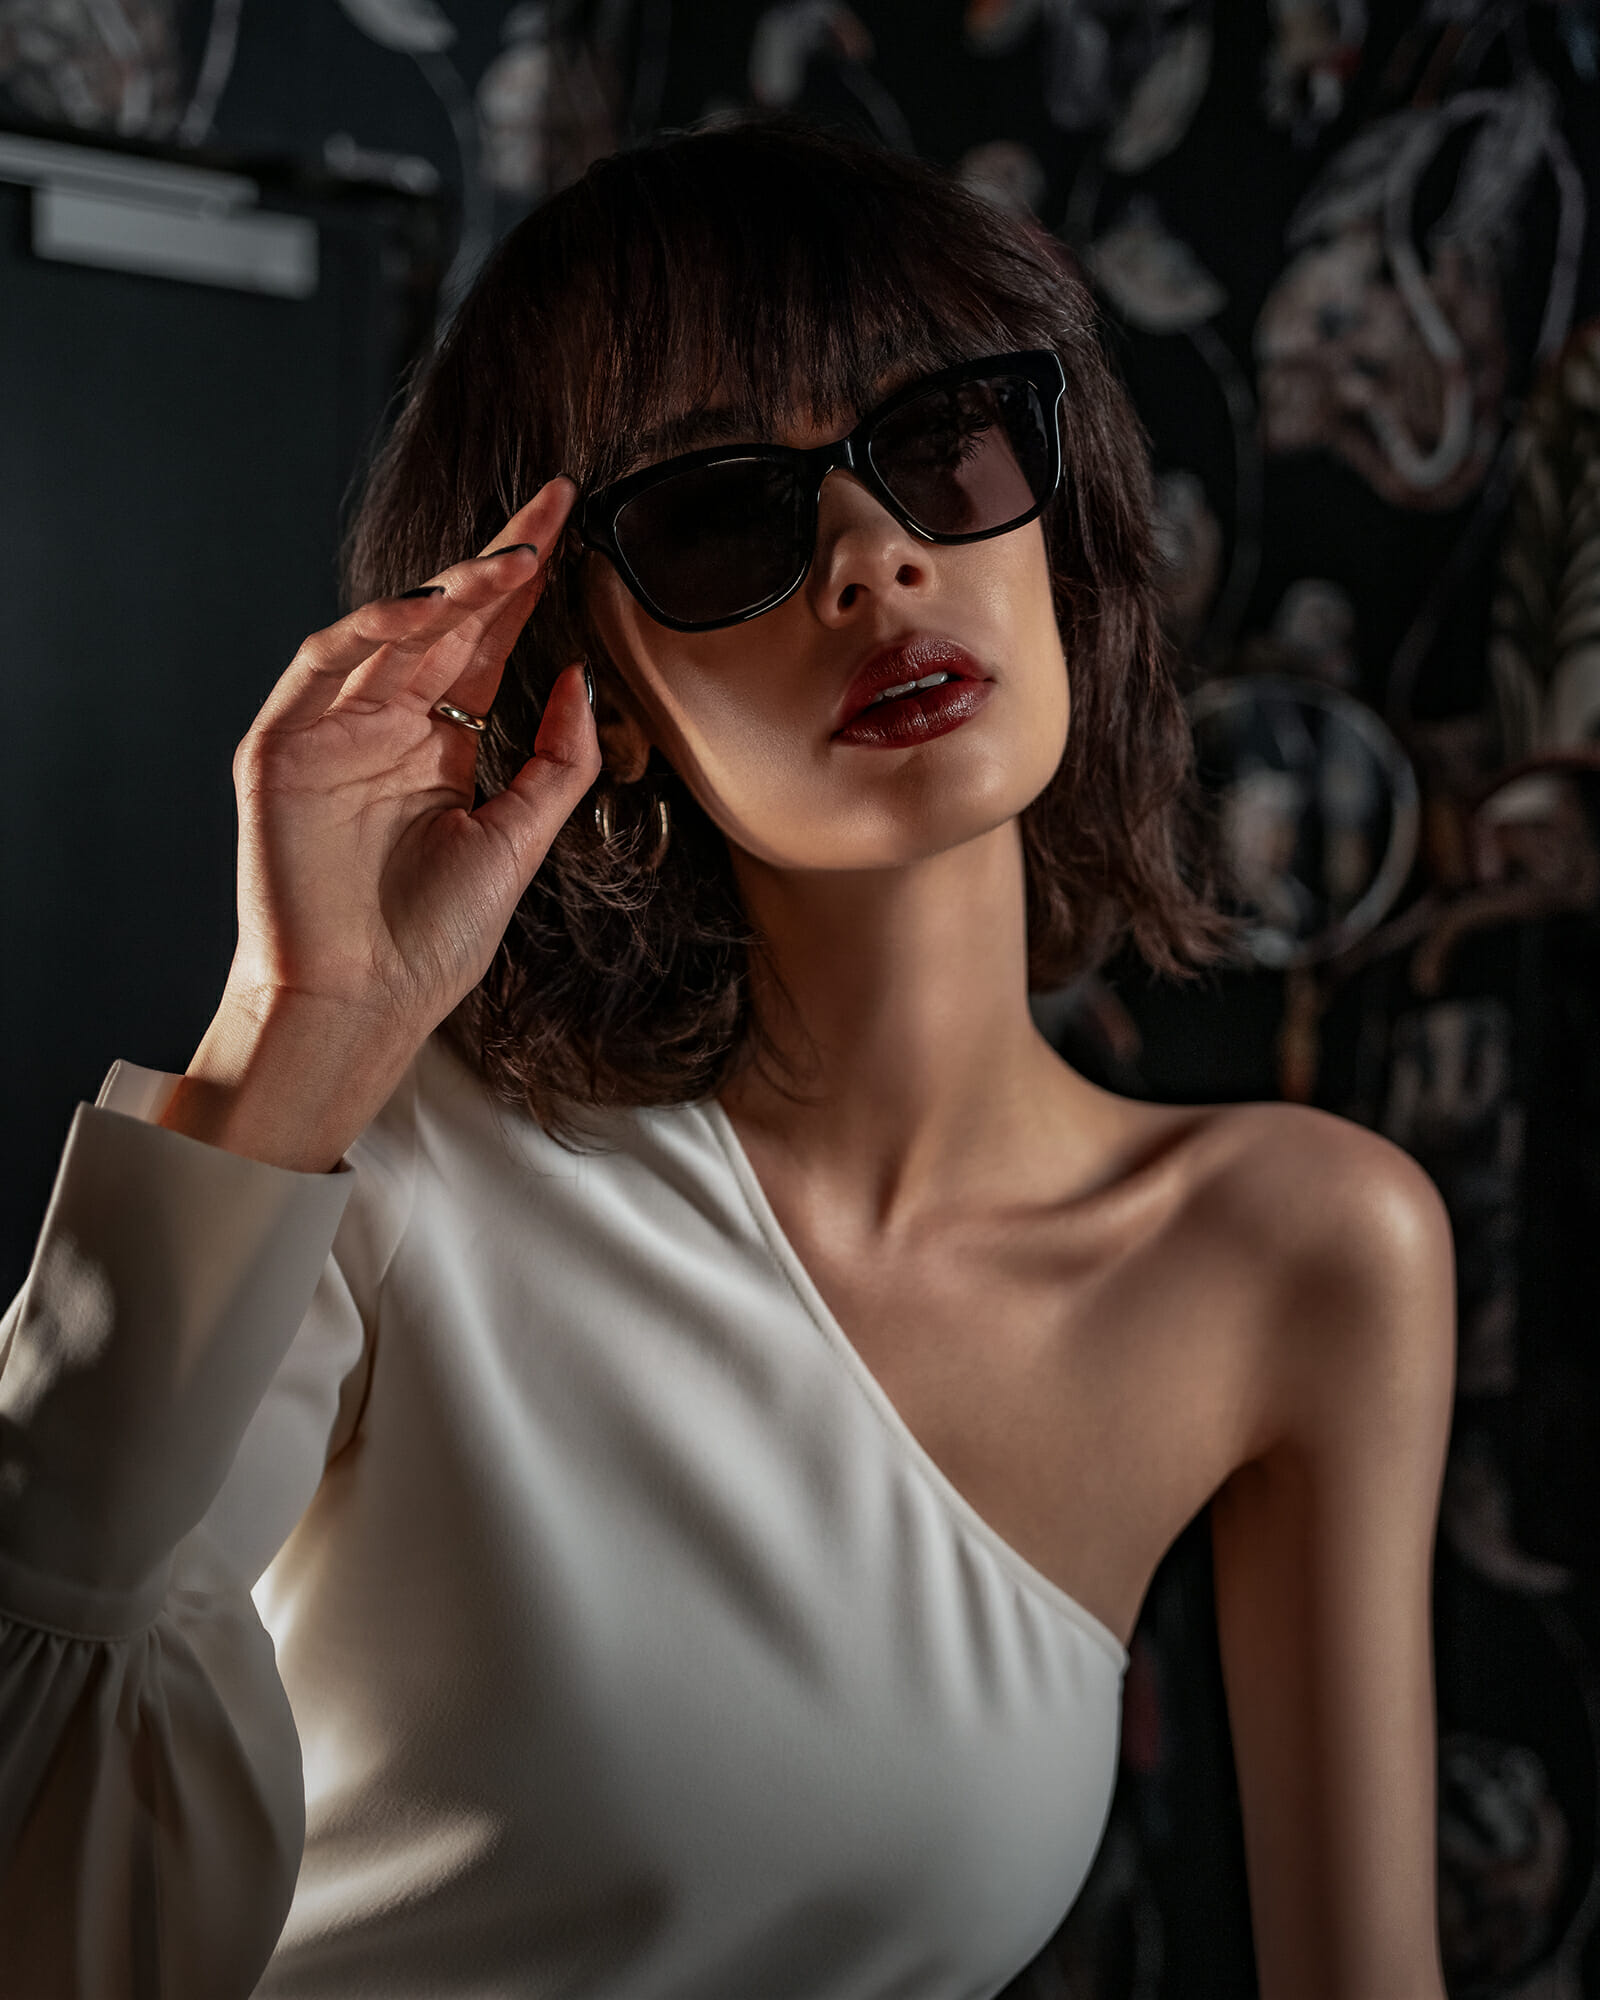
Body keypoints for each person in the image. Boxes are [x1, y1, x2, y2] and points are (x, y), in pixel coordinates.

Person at [0, 118, 1455, 1999]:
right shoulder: (402, 1165)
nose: (872, 556)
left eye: (939, 442)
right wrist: (299, 1035)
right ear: (585, 672)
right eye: (715, 515)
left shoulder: (1302, 1252)